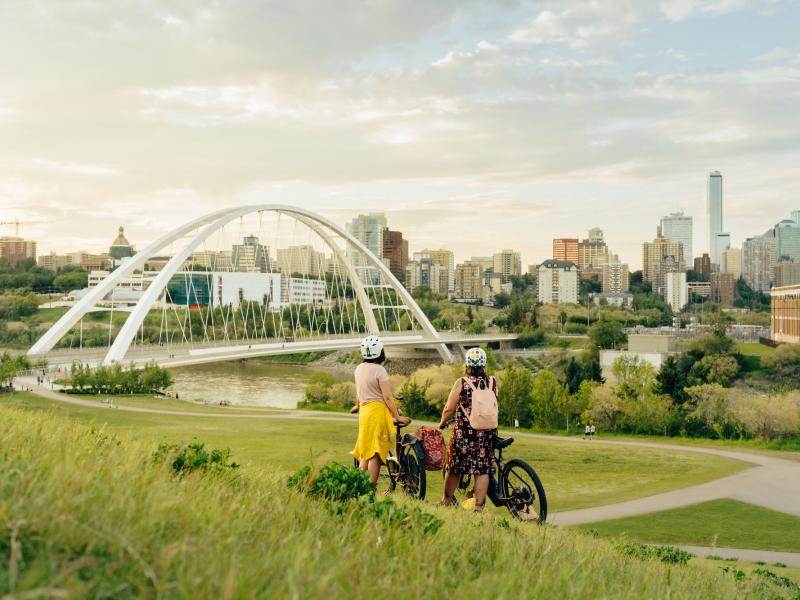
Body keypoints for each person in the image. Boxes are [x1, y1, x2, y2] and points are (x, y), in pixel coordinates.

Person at [438, 347, 498, 511]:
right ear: (484, 365)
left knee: (454, 467)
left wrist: (442, 422)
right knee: (482, 470)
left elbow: (449, 409)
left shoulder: (462, 383)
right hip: (487, 433)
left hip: (464, 433)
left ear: (467, 365)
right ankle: (478, 507)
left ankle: (446, 501)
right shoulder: (492, 382)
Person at [351, 335, 409, 484]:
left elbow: (359, 391)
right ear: (380, 352)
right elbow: (387, 397)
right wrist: (398, 416)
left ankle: (358, 486)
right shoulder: (379, 370)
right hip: (377, 413)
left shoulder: (358, 369)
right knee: (375, 454)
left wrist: (357, 405)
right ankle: (371, 487)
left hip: (364, 413)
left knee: (366, 451)